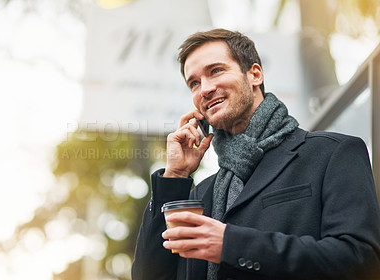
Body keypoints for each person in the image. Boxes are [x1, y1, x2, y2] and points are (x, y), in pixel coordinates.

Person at [131, 28, 380, 280]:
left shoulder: (333, 153)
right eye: (194, 83)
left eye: (215, 70)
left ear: (255, 74)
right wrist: (175, 176)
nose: (205, 88)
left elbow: (360, 261)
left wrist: (231, 245)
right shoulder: (201, 192)